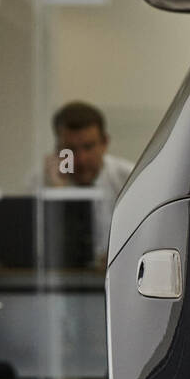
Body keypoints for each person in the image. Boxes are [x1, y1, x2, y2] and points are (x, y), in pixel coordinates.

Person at [34, 101, 133, 269]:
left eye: (88, 147)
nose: (81, 159)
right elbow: (40, 251)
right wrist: (58, 192)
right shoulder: (40, 183)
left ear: (105, 143)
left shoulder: (129, 179)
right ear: (58, 148)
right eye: (70, 149)